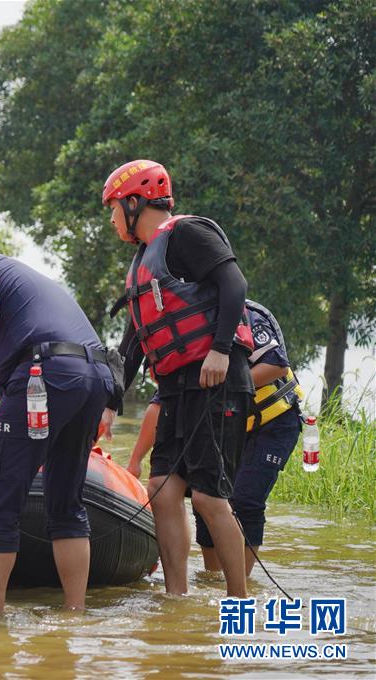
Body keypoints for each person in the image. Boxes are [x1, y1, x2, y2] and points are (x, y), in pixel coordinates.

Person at [0, 225, 115, 614]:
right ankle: (74, 613)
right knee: (66, 503)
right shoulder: (21, 278)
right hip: (93, 379)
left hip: (45, 374)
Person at [99, 159, 255, 598]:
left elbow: (234, 284)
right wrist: (111, 404)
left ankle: (238, 601)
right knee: (162, 489)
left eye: (113, 209)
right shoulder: (141, 265)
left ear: (134, 202)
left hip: (216, 378)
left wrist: (221, 349)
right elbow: (133, 345)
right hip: (176, 388)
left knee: (207, 496)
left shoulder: (187, 234)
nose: (111, 220)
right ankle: (176, 598)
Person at [126, 300, 303, 577]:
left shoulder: (247, 315)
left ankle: (240, 581)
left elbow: (276, 366)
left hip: (272, 423)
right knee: (206, 497)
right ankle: (212, 578)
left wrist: (219, 384)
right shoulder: (182, 332)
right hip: (223, 426)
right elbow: (159, 405)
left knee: (245, 500)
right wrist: (135, 461)